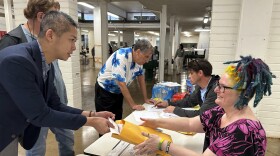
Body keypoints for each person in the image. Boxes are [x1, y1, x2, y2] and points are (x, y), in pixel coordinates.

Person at [0, 11, 114, 156]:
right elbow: (40, 114)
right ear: (50, 35)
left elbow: (55, 105)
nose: (74, 47)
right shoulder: (18, 61)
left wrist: (93, 114)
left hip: (11, 130)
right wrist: (91, 122)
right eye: (71, 40)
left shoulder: (46, 64)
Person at [134, 55, 272, 155]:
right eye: (218, 84)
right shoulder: (221, 111)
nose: (216, 89)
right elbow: (190, 124)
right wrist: (156, 122)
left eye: (223, 87)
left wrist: (162, 145)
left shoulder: (243, 130)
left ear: (243, 94)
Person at [0, 1, 76, 156]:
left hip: (54, 102)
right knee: (37, 146)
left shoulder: (50, 44)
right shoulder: (13, 42)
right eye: (56, 15)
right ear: (41, 16)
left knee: (67, 138)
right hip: (34, 109)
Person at [152, 59, 219, 151]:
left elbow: (201, 116)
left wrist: (175, 110)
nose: (189, 76)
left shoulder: (215, 90)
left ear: (200, 73)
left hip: (216, 134)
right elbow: (189, 101)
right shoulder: (200, 87)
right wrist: (168, 103)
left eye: (191, 73)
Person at [95, 39, 153, 120]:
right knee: (106, 121)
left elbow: (141, 78)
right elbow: (121, 84)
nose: (147, 61)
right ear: (138, 52)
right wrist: (133, 105)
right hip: (105, 91)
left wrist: (146, 99)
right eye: (146, 57)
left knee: (117, 118)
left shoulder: (139, 60)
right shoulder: (121, 56)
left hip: (118, 91)